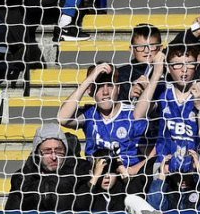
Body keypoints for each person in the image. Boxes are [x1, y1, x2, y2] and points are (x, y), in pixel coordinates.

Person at [134, 45, 200, 211]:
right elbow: (138, 115)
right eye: (177, 64)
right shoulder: (161, 90)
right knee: (157, 209)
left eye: (189, 63)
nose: (184, 70)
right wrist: (156, 75)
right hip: (164, 168)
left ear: (196, 65)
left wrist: (199, 107)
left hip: (199, 169)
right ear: (168, 67)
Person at [57, 62, 149, 192]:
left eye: (110, 86)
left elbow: (153, 152)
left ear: (118, 89)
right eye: (99, 87)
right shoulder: (90, 114)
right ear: (90, 90)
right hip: (96, 179)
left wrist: (134, 170)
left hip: (127, 180)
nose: (105, 92)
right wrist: (89, 80)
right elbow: (62, 118)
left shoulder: (133, 113)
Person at [4, 123, 92, 213]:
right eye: (47, 151)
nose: (54, 157)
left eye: (58, 150)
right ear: (37, 153)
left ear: (65, 151)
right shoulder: (23, 178)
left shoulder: (81, 173)